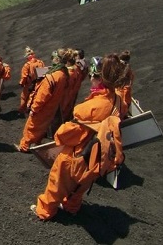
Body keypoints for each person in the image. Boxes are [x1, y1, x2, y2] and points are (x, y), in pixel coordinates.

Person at [31, 54, 128, 220]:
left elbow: (69, 133)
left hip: (77, 155)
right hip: (96, 157)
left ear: (98, 79)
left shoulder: (91, 107)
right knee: (81, 186)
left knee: (57, 184)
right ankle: (72, 207)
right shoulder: (119, 102)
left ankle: (45, 211)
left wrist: (59, 135)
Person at [15, 48, 74, 153]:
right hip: (52, 107)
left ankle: (24, 147)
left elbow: (42, 96)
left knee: (31, 126)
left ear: (56, 59)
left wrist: (34, 109)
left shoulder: (51, 77)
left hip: (43, 107)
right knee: (42, 127)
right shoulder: (64, 74)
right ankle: (36, 144)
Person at [18, 47, 45, 115]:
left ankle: (22, 110)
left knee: (24, 97)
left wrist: (21, 83)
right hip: (39, 83)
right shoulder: (40, 62)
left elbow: (24, 76)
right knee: (36, 96)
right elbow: (43, 72)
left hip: (29, 84)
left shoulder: (27, 65)